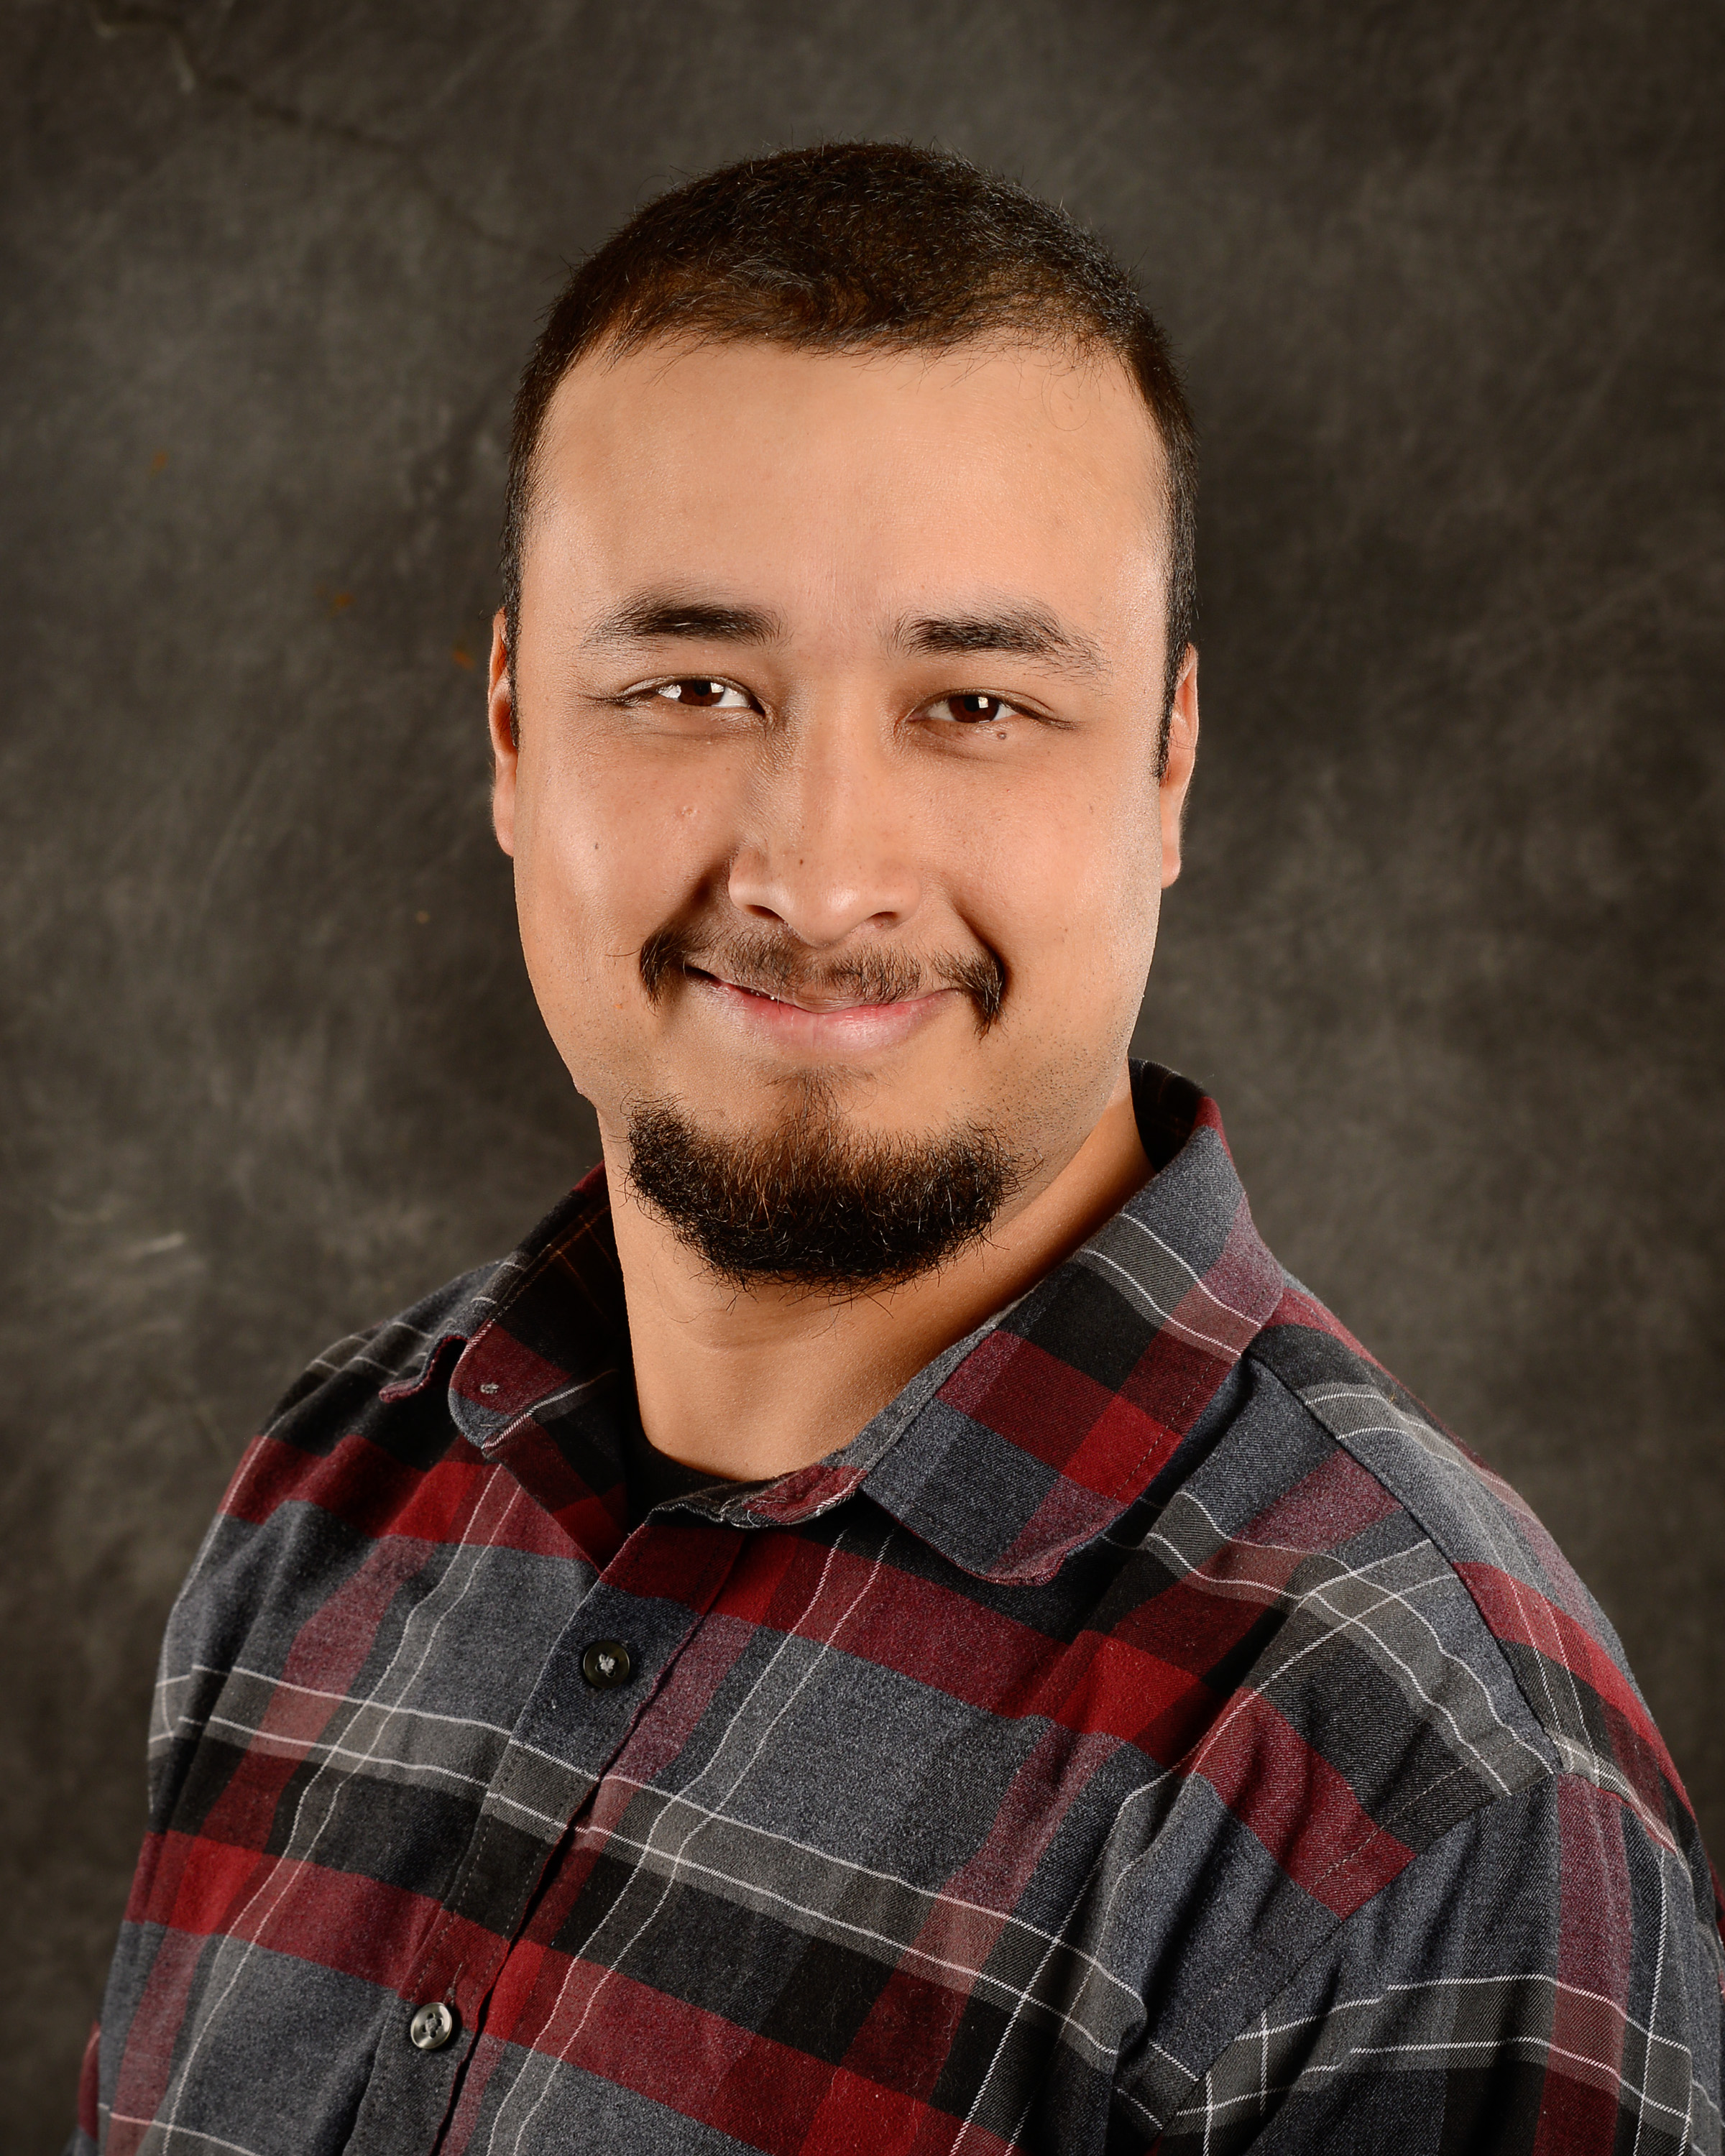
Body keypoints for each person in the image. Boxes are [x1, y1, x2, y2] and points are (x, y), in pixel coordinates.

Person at [71, 142, 1721, 2156]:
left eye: (975, 704)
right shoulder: (337, 1489)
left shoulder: (1421, 1798)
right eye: (691, 684)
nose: (821, 872)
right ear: (511, 730)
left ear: (1168, 769)